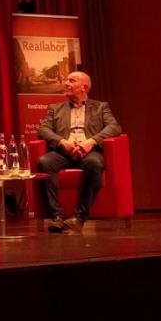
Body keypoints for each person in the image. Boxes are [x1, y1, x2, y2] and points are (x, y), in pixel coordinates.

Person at [34, 70, 122, 233]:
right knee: (44, 162)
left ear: (84, 87)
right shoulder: (55, 108)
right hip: (63, 152)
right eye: (66, 80)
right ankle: (57, 216)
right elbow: (43, 129)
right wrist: (63, 142)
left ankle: (79, 218)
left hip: (89, 152)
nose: (66, 83)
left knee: (94, 163)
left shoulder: (100, 107)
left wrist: (91, 141)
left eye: (72, 81)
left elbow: (114, 127)